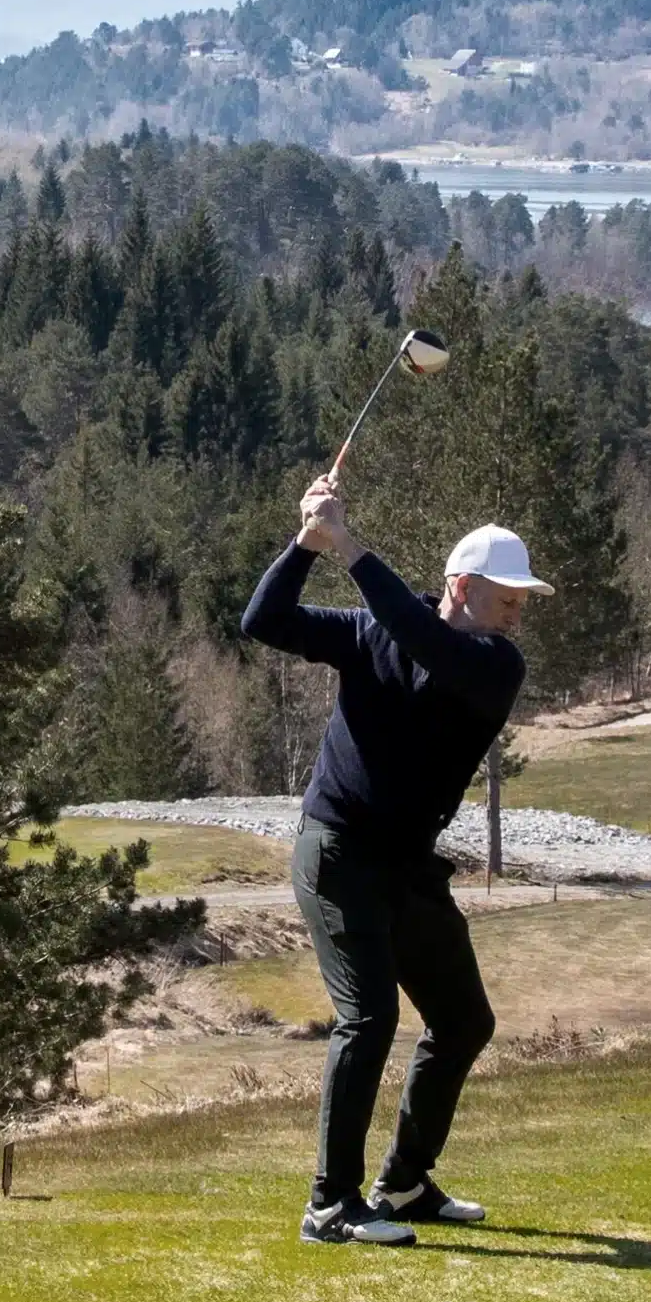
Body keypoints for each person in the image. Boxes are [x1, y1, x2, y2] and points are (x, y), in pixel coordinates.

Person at [241, 476, 553, 1246]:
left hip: (407, 866)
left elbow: (429, 644)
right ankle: (330, 1205)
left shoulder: (492, 664)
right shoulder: (367, 631)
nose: (517, 613)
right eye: (506, 597)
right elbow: (263, 619)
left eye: (521, 600)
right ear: (462, 585)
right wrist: (306, 545)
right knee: (370, 1016)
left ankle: (406, 1179)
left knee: (463, 1020)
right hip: (338, 852)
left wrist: (349, 543)